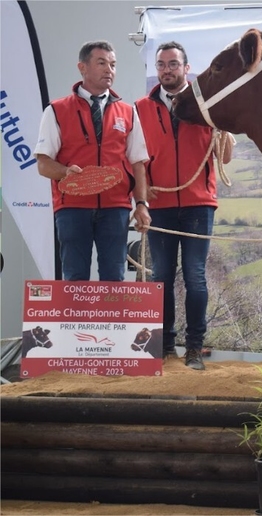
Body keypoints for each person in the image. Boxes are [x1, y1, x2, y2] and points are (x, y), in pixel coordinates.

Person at [135, 41, 234, 370]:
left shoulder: (205, 105)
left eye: (173, 64)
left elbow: (225, 157)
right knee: (161, 276)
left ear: (186, 68)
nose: (167, 70)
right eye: (161, 64)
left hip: (198, 204)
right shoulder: (141, 108)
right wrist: (142, 198)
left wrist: (224, 132)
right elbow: (134, 158)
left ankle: (194, 348)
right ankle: (164, 346)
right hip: (159, 204)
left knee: (194, 276)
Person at [35, 40, 150, 281]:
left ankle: (111, 320)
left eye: (113, 64)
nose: (109, 70)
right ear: (82, 68)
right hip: (72, 208)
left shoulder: (128, 112)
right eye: (102, 63)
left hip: (115, 208)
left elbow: (138, 163)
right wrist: (66, 172)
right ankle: (76, 320)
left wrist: (141, 204)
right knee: (75, 277)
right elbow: (44, 164)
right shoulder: (56, 110)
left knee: (114, 278)